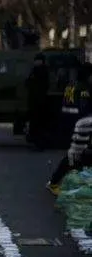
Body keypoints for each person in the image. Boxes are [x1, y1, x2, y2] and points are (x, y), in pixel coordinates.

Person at [47, 63, 92, 195]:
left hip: (67, 124)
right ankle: (54, 182)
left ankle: (64, 182)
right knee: (76, 155)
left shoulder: (70, 86)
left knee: (78, 155)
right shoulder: (85, 89)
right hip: (78, 126)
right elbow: (84, 110)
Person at [26, 54, 51, 150]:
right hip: (37, 101)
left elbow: (29, 83)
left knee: (38, 123)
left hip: (37, 101)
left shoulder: (39, 71)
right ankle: (38, 142)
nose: (36, 62)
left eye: (37, 60)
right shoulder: (40, 70)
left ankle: (39, 143)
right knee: (38, 123)